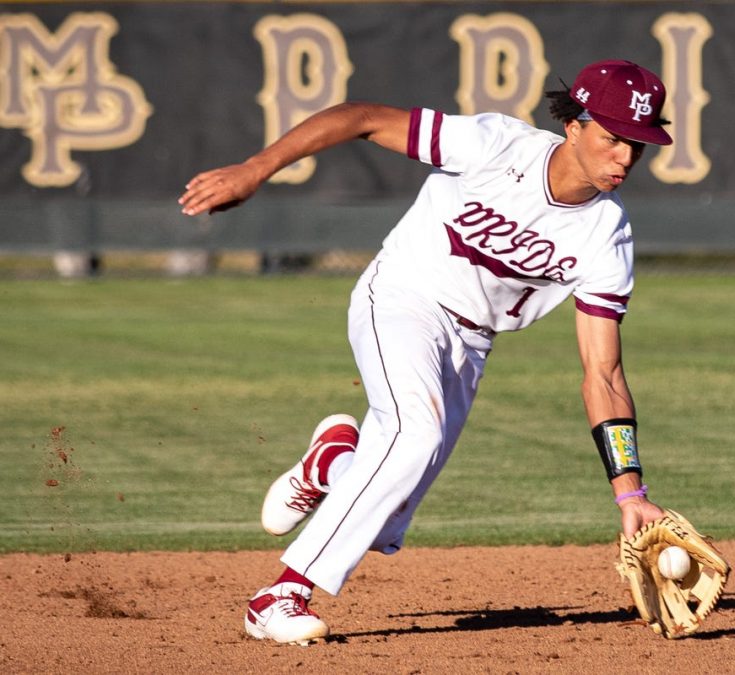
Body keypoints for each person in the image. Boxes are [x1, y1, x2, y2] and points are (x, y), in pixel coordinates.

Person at [179, 59, 672, 645]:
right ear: (574, 126)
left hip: (471, 342)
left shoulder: (607, 235)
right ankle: (281, 594)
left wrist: (630, 492)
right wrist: (255, 169)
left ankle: (330, 465)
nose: (625, 158)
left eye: (637, 145)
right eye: (613, 138)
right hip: (403, 296)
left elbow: (604, 373)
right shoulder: (494, 146)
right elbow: (360, 118)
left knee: (384, 519)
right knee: (414, 433)